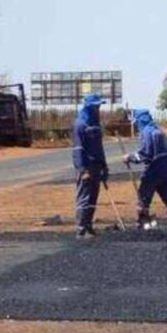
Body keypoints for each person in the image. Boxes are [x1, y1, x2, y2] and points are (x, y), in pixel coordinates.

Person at [123, 109, 167, 231]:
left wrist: (130, 157)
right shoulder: (159, 131)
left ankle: (142, 225)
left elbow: (146, 154)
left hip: (154, 171)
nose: (137, 126)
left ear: (140, 121)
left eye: (137, 122)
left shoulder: (147, 132)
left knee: (143, 198)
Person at [72, 94, 109, 238]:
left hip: (97, 166)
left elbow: (99, 148)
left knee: (93, 198)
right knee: (84, 198)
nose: (98, 108)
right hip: (86, 167)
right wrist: (82, 170)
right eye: (96, 106)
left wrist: (104, 167)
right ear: (89, 106)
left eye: (99, 105)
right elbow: (78, 150)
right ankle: (80, 229)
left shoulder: (96, 124)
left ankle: (89, 226)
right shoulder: (80, 124)